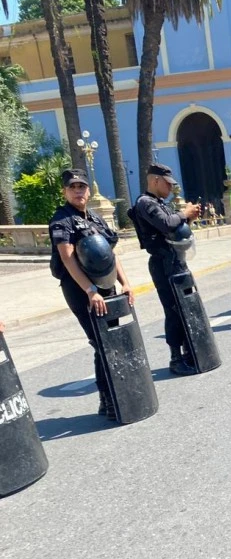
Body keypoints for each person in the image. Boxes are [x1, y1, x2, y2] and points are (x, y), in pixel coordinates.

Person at [49, 168, 134, 417]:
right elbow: (67, 259)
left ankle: (118, 394)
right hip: (80, 290)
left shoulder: (95, 218)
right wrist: (90, 290)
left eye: (82, 187)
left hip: (105, 286)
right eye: (73, 187)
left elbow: (110, 254)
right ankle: (107, 400)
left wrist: (125, 283)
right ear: (65, 191)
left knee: (111, 341)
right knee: (100, 342)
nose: (78, 191)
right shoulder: (61, 220)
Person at [131, 163, 201, 375]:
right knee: (173, 310)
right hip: (163, 263)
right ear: (155, 181)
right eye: (167, 184)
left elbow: (175, 228)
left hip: (175, 260)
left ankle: (190, 352)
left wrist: (189, 217)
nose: (170, 188)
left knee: (185, 307)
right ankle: (175, 358)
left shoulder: (159, 202)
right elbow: (166, 224)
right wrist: (184, 213)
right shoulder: (145, 203)